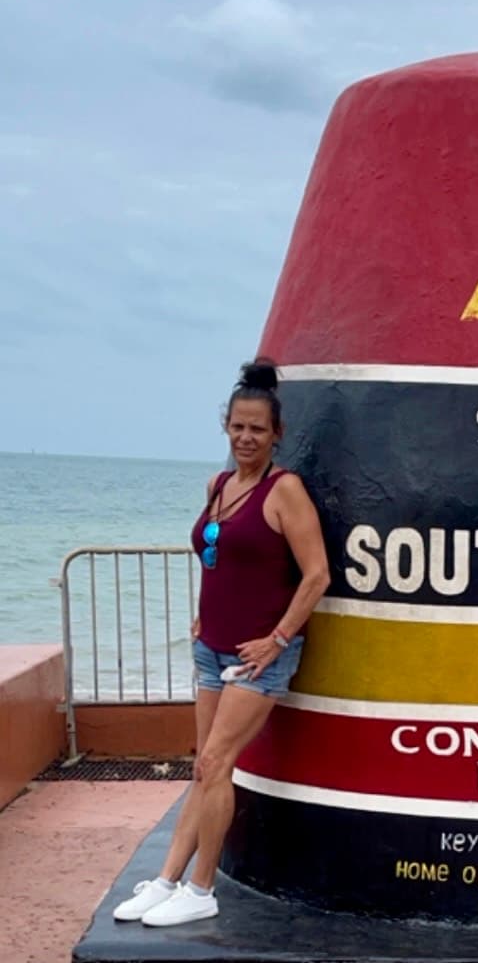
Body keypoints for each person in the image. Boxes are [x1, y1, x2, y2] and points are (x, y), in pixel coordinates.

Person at [113, 359, 330, 926]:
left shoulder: (286, 492)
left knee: (218, 761)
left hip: (255, 660)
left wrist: (279, 639)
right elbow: (221, 561)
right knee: (202, 770)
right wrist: (199, 617)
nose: (246, 437)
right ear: (225, 426)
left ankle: (203, 888)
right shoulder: (218, 486)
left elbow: (317, 576)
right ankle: (167, 880)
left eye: (258, 428)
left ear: (277, 433)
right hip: (211, 649)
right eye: (238, 426)